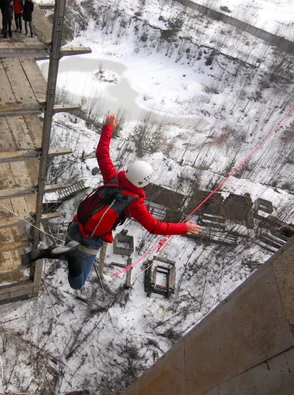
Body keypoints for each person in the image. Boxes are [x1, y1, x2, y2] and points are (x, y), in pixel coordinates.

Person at [22, 113, 202, 290]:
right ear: (143, 182)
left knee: (69, 251)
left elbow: (102, 153)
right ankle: (67, 255)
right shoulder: (135, 203)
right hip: (91, 240)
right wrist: (184, 227)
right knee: (77, 283)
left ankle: (43, 253)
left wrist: (108, 127)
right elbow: (155, 227)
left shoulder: (113, 178)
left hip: (76, 227)